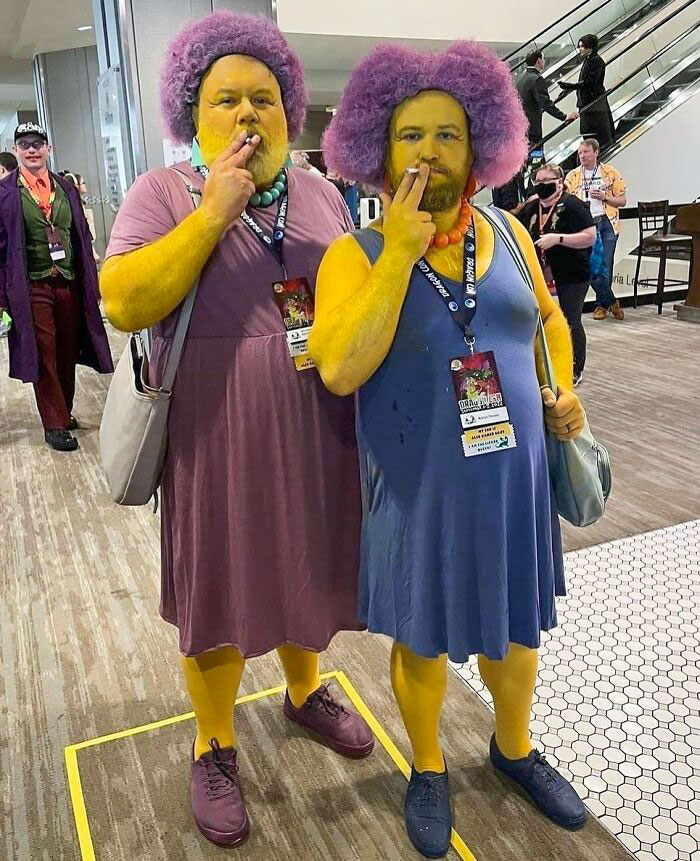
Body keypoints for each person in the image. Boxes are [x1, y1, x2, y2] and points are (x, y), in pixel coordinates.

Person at [99, 12, 373, 848]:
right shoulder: (163, 192)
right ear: (193, 113)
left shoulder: (324, 192)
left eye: (265, 98)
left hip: (316, 428)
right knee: (220, 584)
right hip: (214, 437)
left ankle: (303, 690)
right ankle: (212, 742)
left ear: (291, 109)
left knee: (304, 563)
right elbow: (122, 300)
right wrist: (215, 212)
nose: (249, 115)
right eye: (227, 100)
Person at [312, 41, 588, 859]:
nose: (429, 152)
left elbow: (546, 322)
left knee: (517, 629)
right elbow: (338, 366)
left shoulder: (508, 233)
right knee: (423, 633)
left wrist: (565, 390)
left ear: (480, 148)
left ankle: (512, 748)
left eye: (448, 135)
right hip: (417, 483)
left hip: (514, 476)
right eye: (410, 136)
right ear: (376, 148)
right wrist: (398, 250)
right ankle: (427, 766)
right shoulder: (351, 255)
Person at [0, 123, 112, 450]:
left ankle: (63, 408)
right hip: (31, 286)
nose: (32, 149)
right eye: (25, 145)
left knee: (67, 349)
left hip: (68, 283)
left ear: (47, 148)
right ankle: (54, 422)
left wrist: (93, 280)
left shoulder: (65, 188)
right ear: (17, 149)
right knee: (44, 352)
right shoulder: (6, 194)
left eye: (37, 143)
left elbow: (81, 236)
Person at [518, 162, 596, 386]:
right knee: (538, 320)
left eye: (546, 182)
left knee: (571, 320)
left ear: (559, 183)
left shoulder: (572, 205)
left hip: (572, 271)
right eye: (538, 182)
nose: (542, 186)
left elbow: (589, 236)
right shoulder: (532, 208)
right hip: (540, 273)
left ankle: (574, 368)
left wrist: (559, 239)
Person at [566, 138, 627, 320]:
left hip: (607, 223)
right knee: (592, 269)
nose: (582, 156)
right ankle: (611, 301)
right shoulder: (573, 176)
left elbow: (622, 201)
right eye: (580, 153)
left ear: (595, 152)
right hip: (586, 225)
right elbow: (566, 200)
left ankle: (601, 305)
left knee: (605, 267)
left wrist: (604, 197)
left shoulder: (610, 172)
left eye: (585, 152)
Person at [558, 34, 616, 149]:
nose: (580, 49)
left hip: (594, 105)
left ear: (590, 47)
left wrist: (571, 86)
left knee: (595, 135)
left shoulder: (596, 61)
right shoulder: (589, 60)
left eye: (582, 46)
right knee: (588, 134)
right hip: (588, 104)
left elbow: (590, 82)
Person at [516, 49, 578, 153]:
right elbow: (545, 103)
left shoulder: (521, 80)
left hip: (523, 127)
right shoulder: (536, 79)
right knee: (537, 157)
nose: (544, 62)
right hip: (533, 127)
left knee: (527, 158)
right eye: (543, 59)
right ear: (538, 60)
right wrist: (564, 116)